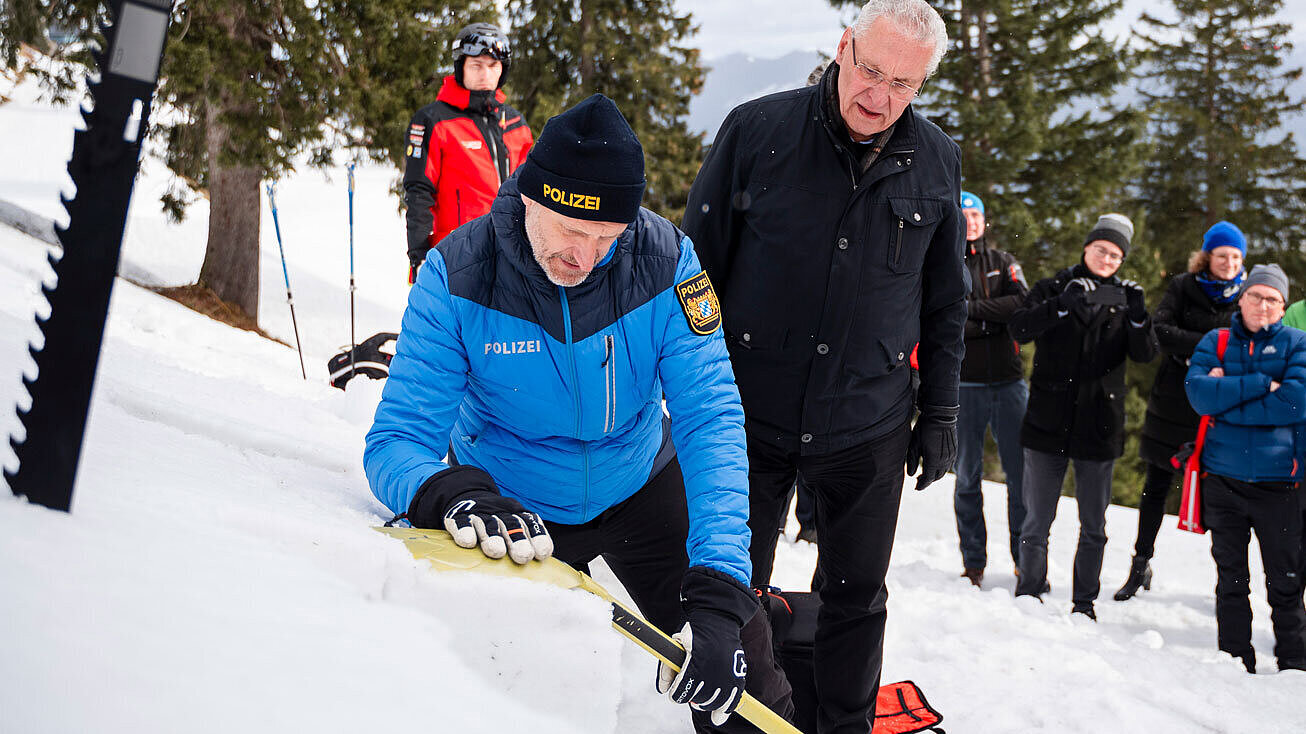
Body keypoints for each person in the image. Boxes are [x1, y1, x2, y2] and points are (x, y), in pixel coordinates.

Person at [366, 95, 792, 730]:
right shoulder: (457, 274)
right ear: (532, 196)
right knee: (511, 688)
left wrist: (721, 588)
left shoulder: (666, 262)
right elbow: (397, 442)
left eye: (605, 238)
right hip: (513, 507)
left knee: (745, 675)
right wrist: (450, 493)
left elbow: (713, 419)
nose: (586, 257)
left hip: (641, 482)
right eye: (571, 230)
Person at [681, 1, 966, 730]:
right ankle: (737, 718)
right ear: (844, 47)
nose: (880, 96)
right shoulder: (757, 130)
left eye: (904, 83)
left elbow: (945, 303)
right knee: (730, 584)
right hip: (750, 414)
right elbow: (694, 277)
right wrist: (686, 394)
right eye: (870, 70)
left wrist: (938, 412)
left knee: (857, 595)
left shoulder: (936, 157)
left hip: (867, 423)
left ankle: (844, 723)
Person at [1008, 213, 1158, 620]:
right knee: (1037, 520)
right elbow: (1018, 328)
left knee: (1094, 524)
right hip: (1047, 420)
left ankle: (1083, 602)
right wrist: (1060, 306)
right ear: (1087, 247)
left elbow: (1145, 355)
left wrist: (1141, 318)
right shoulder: (1054, 287)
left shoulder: (1126, 298)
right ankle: (1030, 589)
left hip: (1099, 425)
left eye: (1115, 254)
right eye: (1101, 250)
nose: (1107, 259)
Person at [1113, 221, 1246, 601]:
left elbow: (1249, 345)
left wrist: (1200, 352)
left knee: (1222, 499)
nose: (1229, 263)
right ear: (1207, 257)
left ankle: (1228, 584)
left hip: (1220, 411)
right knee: (1155, 487)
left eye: (1236, 256)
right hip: (1173, 403)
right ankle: (1140, 564)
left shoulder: (1248, 295)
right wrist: (1211, 348)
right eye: (1222, 255)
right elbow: (1160, 332)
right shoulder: (1183, 287)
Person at [1184, 264, 1306, 673]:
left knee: (1286, 580)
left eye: (1272, 299)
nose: (1263, 305)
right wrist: (1258, 384)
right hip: (1223, 481)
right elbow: (1200, 396)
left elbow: (1295, 403)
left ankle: (1294, 659)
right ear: (1242, 299)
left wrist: (1229, 394)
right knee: (1231, 578)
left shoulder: (1298, 343)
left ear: (1282, 306)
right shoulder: (1216, 341)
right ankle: (1235, 657)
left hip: (1281, 484)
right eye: (1256, 295)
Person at [403, 22, 533, 284]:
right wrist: (419, 254)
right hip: (456, 255)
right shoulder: (433, 120)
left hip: (512, 254)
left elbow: (532, 190)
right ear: (461, 66)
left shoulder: (516, 123)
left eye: (493, 66)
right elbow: (419, 191)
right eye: (476, 65)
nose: (485, 74)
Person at [951, 191, 1029, 588]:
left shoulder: (1004, 262)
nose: (971, 221)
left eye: (976, 214)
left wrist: (974, 313)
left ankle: (1023, 559)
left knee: (1020, 478)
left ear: (985, 221)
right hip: (965, 385)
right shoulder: (944, 263)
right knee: (967, 478)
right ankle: (974, 561)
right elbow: (945, 319)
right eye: (963, 214)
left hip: (1010, 384)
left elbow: (1022, 304)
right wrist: (991, 319)